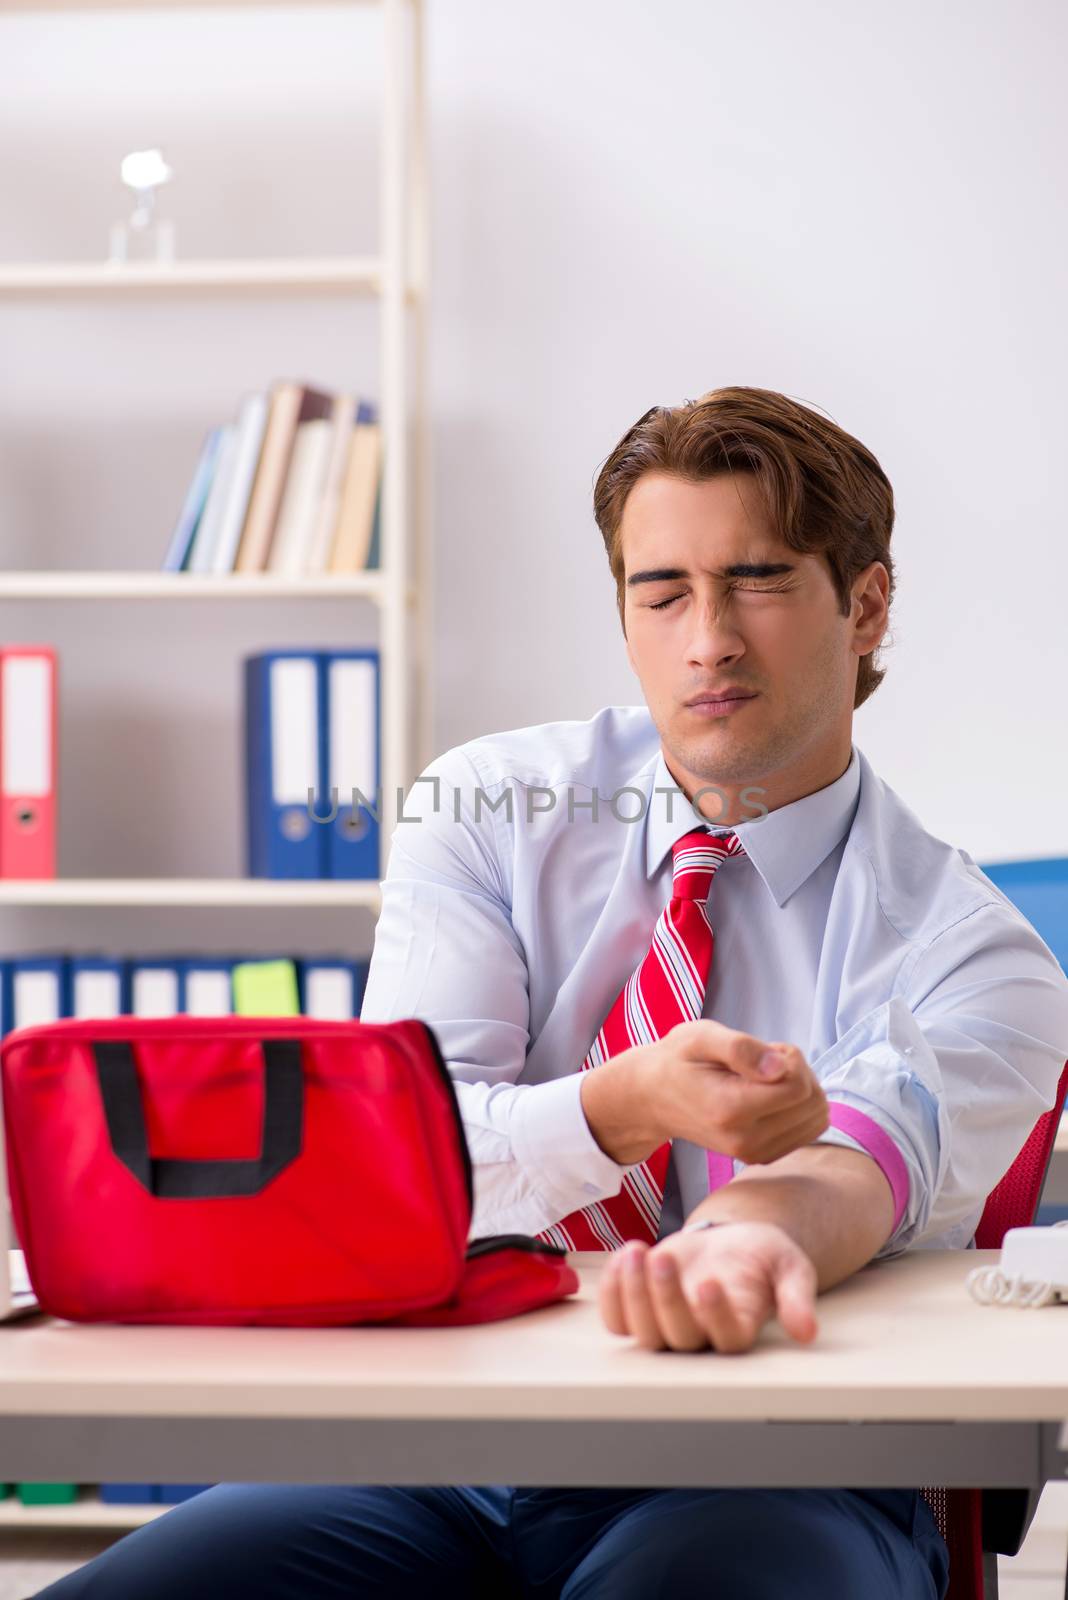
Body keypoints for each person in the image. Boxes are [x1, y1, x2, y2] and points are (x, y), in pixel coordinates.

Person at [40, 386, 1068, 1598]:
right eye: (663, 591)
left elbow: (867, 1157)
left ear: (868, 605)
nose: (709, 639)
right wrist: (620, 1106)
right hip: (438, 1449)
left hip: (785, 1462)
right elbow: (406, 1170)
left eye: (759, 581)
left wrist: (743, 1241)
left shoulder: (981, 951)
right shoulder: (486, 811)